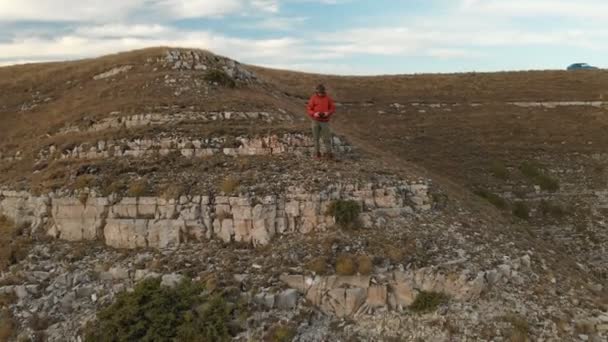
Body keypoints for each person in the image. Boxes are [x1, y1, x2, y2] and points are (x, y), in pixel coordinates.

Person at [307, 84, 336, 159]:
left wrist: (328, 113)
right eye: (319, 92)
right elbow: (309, 109)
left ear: (324, 91)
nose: (320, 94)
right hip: (315, 121)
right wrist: (314, 113)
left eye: (321, 92)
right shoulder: (313, 98)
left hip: (325, 121)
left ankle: (329, 154)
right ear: (317, 91)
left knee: (327, 138)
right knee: (316, 138)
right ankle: (317, 154)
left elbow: (332, 108)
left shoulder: (328, 99)